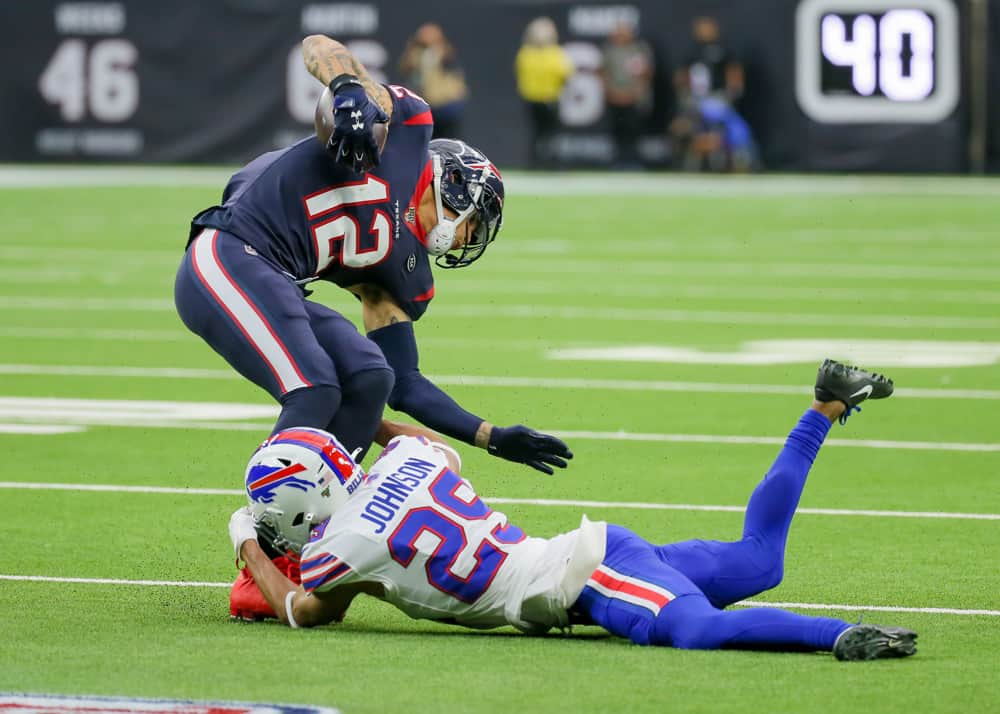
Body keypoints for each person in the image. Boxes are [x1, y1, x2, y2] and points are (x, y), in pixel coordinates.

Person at [228, 359, 918, 661]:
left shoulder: (336, 549)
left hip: (581, 579)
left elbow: (302, 610)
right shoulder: (412, 460)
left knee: (698, 632)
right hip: (589, 554)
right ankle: (825, 405)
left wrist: (247, 547)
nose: (265, 517)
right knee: (760, 560)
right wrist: (364, 425)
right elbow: (420, 438)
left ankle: (839, 635)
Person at [670, 16, 756, 172]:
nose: (705, 31)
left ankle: (740, 160)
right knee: (682, 127)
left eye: (708, 27)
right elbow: (681, 78)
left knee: (735, 128)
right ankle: (695, 158)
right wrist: (685, 96)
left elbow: (735, 76)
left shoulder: (724, 51)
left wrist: (730, 94)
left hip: (718, 98)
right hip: (695, 102)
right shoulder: (692, 53)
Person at [514, 17, 574, 168]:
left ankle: (537, 163)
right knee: (549, 133)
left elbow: (520, 73)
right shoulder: (555, 53)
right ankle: (550, 163)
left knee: (538, 133)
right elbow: (566, 74)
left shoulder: (525, 54)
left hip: (532, 99)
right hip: (549, 99)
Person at [398, 23, 468, 139]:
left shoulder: (445, 53)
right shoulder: (415, 54)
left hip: (445, 106)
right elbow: (405, 68)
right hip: (424, 105)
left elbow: (456, 82)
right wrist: (413, 46)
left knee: (447, 141)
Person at [600, 22, 654, 168]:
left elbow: (646, 75)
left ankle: (635, 161)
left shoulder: (639, 49)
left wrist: (633, 94)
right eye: (619, 32)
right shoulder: (609, 50)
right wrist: (613, 94)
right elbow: (603, 75)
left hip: (635, 99)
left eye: (624, 32)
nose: (621, 35)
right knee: (617, 131)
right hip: (614, 98)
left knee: (634, 131)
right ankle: (617, 162)